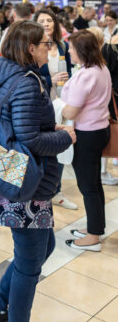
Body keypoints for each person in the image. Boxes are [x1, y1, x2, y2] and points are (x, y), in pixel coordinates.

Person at [0, 20, 75, 322]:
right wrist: (65, 138)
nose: (49, 48)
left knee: (43, 247)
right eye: (46, 43)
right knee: (29, 265)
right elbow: (29, 139)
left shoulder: (12, 75)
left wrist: (51, 128)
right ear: (31, 48)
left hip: (23, 179)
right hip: (25, 182)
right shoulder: (27, 82)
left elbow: (24, 126)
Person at [62, 30, 112, 251]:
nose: (69, 52)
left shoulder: (87, 75)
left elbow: (71, 112)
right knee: (94, 184)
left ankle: (93, 237)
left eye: (72, 49)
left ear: (82, 50)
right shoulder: (101, 68)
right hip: (99, 130)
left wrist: (60, 106)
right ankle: (96, 227)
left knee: (88, 186)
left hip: (87, 134)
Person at [34, 8, 77, 210]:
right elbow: (32, 76)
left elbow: (69, 71)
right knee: (44, 145)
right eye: (41, 20)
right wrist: (50, 79)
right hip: (41, 102)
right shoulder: (33, 47)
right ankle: (41, 188)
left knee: (60, 144)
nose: (46, 24)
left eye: (49, 20)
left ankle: (56, 190)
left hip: (61, 101)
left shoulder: (62, 46)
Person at [101, 29, 118, 184]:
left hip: (111, 97)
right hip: (113, 98)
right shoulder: (108, 47)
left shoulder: (107, 46)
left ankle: (103, 171)